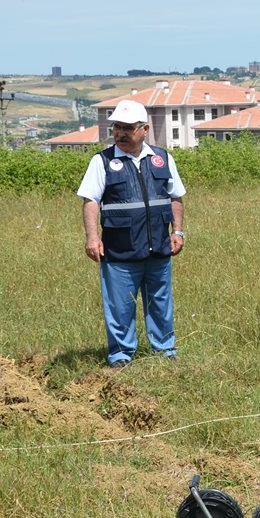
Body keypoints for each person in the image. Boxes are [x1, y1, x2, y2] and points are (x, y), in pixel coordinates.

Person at [77, 99, 185, 366]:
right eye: (116, 127)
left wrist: (179, 231)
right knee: (120, 307)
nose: (120, 133)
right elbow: (90, 201)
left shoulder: (162, 159)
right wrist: (92, 238)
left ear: (144, 129)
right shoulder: (101, 162)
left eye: (127, 128)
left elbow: (176, 197)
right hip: (120, 251)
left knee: (160, 303)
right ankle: (121, 356)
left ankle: (164, 352)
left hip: (158, 248)